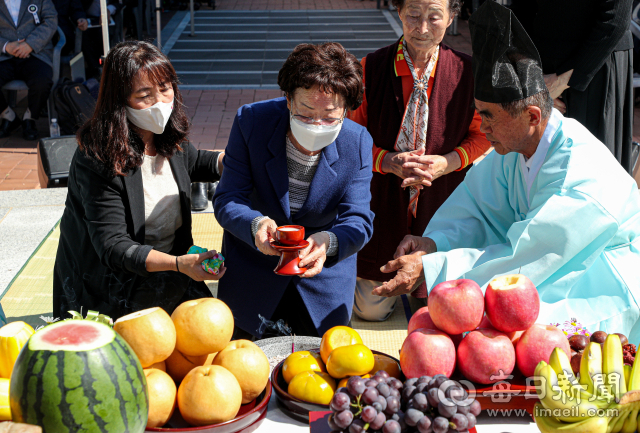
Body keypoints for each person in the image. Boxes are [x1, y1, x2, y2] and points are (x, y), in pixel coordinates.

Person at [375, 2, 640, 341]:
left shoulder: (578, 176)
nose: (482, 128)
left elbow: (526, 255)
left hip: (603, 279)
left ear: (532, 116)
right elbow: (476, 209)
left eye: (489, 116)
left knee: (527, 336)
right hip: (553, 265)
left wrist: (434, 268)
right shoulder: (514, 145)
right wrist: (433, 243)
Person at [53, 41, 225, 320]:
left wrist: (226, 162)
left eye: (165, 89)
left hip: (172, 272)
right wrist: (179, 264)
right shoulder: (98, 158)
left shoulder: (167, 137)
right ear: (119, 100)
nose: (160, 103)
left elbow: (195, 161)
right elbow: (114, 246)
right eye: (144, 95)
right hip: (113, 286)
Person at [213, 42, 375, 339]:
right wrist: (256, 224)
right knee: (247, 369)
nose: (316, 125)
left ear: (347, 111)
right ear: (288, 100)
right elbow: (227, 198)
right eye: (305, 112)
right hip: (254, 268)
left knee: (326, 370)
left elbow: (359, 220)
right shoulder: (251, 123)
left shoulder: (358, 141)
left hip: (322, 276)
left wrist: (329, 242)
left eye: (329, 117)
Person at [348, 0, 490, 321]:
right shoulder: (369, 68)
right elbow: (349, 138)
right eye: (413, 15)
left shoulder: (470, 72)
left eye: (434, 17)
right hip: (381, 201)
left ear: (452, 17)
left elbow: (483, 135)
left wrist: (447, 163)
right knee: (371, 311)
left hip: (444, 201)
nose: (422, 28)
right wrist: (386, 161)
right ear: (398, 12)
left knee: (442, 312)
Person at [510, 0, 635, 174]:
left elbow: (615, 19)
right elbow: (521, 11)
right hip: (540, 67)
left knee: (592, 167)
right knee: (539, 165)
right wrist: (530, 75)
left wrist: (563, 80)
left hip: (596, 65)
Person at [0, 0, 57, 140]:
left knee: (42, 81)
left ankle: (29, 118)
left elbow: (51, 19)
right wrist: (6, 46)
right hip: (4, 56)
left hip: (36, 53)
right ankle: (8, 116)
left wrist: (30, 44)